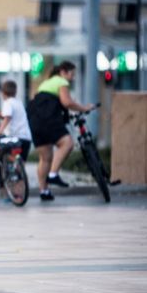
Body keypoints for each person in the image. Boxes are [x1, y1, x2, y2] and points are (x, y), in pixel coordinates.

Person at [27, 61, 94, 201]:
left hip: (34, 120)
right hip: (47, 117)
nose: (72, 78)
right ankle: (53, 174)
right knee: (67, 143)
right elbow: (67, 102)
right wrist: (84, 108)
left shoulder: (46, 83)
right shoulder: (61, 81)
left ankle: (44, 191)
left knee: (45, 158)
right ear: (63, 72)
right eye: (72, 74)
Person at [0, 80, 32, 162]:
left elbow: (7, 117)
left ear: (3, 92)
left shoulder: (8, 102)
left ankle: (1, 163)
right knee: (20, 162)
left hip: (14, 138)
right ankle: (17, 166)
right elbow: (2, 114)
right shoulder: (18, 102)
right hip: (26, 138)